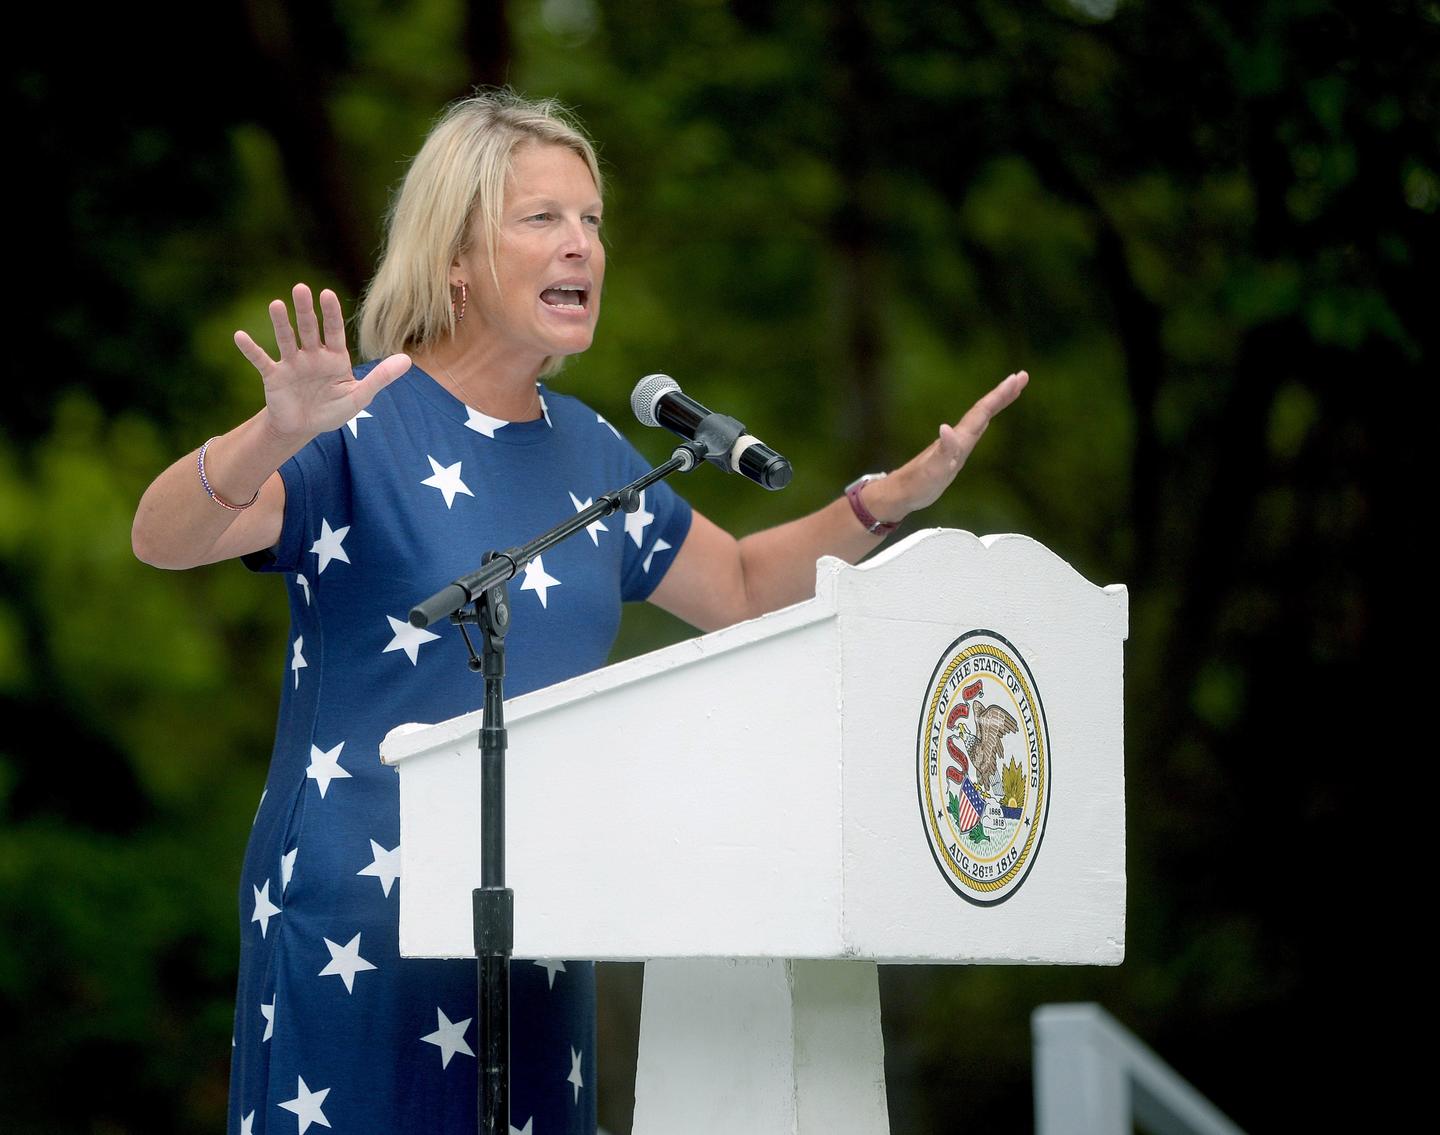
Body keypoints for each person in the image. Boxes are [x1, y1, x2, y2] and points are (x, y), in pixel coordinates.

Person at [132, 90, 1026, 1135]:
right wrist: (272, 431)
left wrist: (887, 500)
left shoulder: (595, 450)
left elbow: (736, 587)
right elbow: (163, 536)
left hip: (539, 918)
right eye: (543, 218)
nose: (582, 247)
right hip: (357, 926)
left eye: (593, 221)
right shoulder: (359, 420)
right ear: (455, 256)